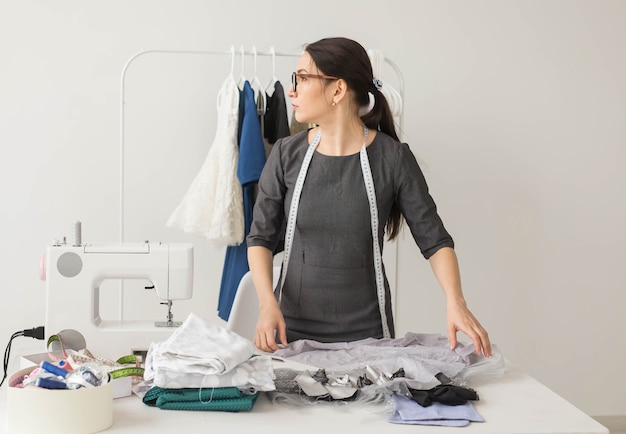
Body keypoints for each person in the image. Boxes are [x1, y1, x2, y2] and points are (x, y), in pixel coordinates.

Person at [246, 37, 491, 357]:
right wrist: (267, 307)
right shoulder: (285, 155)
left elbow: (435, 241)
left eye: (303, 78)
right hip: (290, 332)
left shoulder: (392, 159)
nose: (292, 90)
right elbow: (260, 240)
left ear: (337, 90)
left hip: (370, 338)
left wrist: (456, 302)